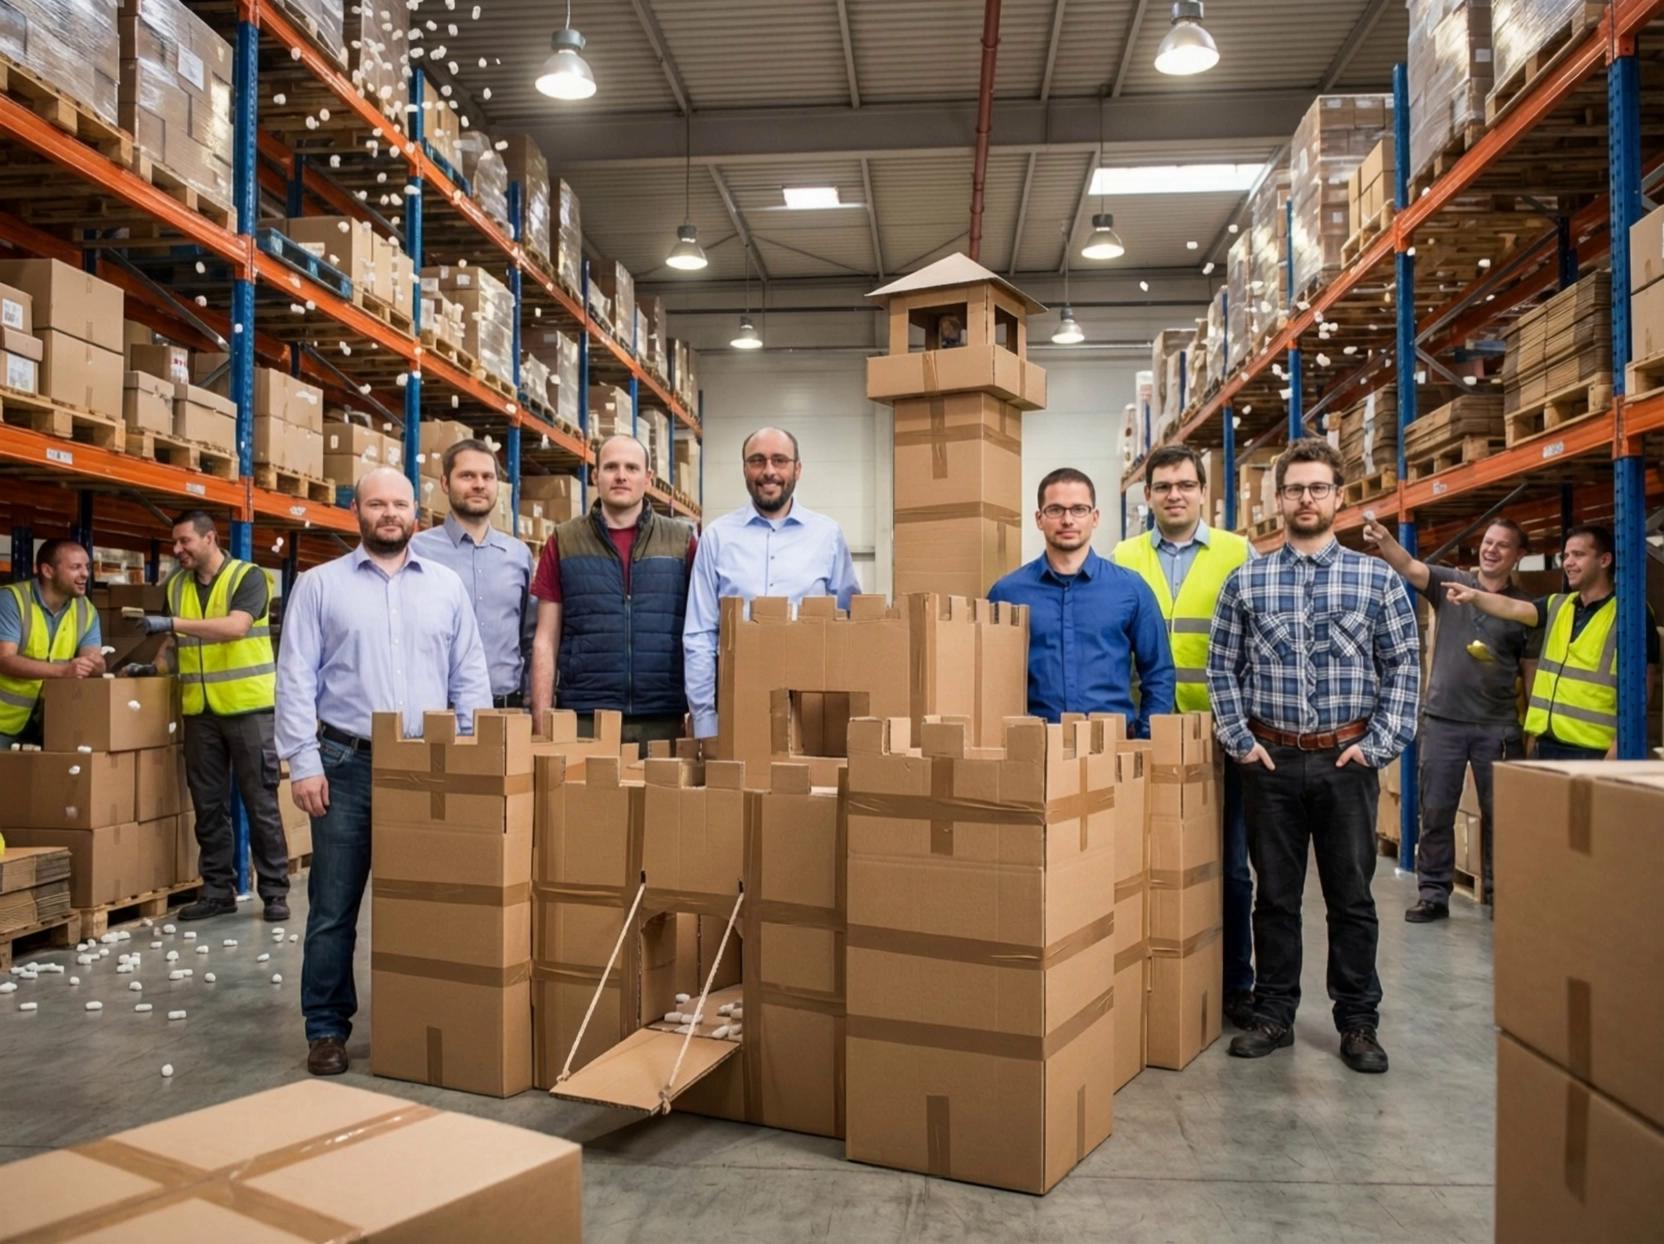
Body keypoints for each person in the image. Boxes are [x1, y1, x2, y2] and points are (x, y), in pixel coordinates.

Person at [1207, 438, 1420, 1074]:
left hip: (1346, 760)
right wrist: (1240, 741)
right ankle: (1274, 1012)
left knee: (1351, 898)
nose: (1306, 498)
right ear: (1278, 500)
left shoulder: (1377, 577)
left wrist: (1378, 745)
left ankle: (1357, 1023)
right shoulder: (1246, 579)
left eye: (1318, 488)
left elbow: (1404, 664)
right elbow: (1222, 667)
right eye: (1295, 488)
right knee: (1274, 897)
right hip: (1269, 761)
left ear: (1339, 497)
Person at [275, 467, 491, 1077]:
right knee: (334, 905)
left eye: (399, 504)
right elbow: (295, 677)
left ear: (416, 514)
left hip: (427, 765)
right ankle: (325, 1028)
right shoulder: (319, 587)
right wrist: (303, 761)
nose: (389, 513)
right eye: (376, 503)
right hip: (344, 763)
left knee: (432, 901)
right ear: (356, 512)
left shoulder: (445, 586)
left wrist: (470, 755)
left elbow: (468, 675)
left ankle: (422, 1014)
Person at [1112, 445, 1255, 1027]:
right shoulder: (1123, 554)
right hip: (1147, 731)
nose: (1175, 494)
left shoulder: (1237, 551)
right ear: (1147, 496)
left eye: (1185, 484)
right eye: (1163, 486)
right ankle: (1150, 973)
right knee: (1146, 859)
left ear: (1203, 493)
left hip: (1222, 730)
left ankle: (1234, 986)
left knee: (1231, 865)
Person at [1363, 515, 1534, 921]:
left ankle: (1498, 893)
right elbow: (1409, 566)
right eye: (1488, 542)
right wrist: (1386, 539)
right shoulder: (1451, 583)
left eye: (1502, 545)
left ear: (1519, 555)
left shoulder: (1521, 609)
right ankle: (1433, 893)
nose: (1491, 549)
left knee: (1501, 815)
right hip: (1444, 721)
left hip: (1498, 725)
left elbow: (1529, 671)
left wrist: (1527, 727)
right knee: (1436, 809)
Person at [124, 512, 290, 923]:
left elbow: (235, 628)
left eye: (184, 542)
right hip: (199, 711)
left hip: (248, 708)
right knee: (209, 806)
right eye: (174, 543)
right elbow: (172, 644)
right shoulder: (177, 586)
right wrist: (153, 669)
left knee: (260, 802)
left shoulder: (247, 578)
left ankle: (274, 893)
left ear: (210, 538)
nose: (177, 549)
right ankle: (218, 890)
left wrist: (173, 622)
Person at [684, 427, 859, 740]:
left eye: (779, 461)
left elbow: (850, 626)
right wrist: (705, 719)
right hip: (738, 704)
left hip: (812, 709)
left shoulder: (827, 536)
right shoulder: (717, 537)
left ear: (797, 469)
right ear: (744, 469)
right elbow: (699, 634)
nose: (769, 471)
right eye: (757, 461)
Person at [530, 435, 698, 745]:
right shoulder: (565, 540)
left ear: (648, 478)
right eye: (611, 467)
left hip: (662, 718)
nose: (621, 476)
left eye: (632, 468)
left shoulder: (681, 540)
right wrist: (541, 723)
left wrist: (701, 714)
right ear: (595, 476)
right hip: (583, 717)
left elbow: (701, 632)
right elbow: (545, 639)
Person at [1445, 524, 1659, 761]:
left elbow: (1643, 683)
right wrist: (1475, 596)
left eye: (1578, 555)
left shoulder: (1630, 611)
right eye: (1565, 556)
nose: (1568, 563)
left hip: (1592, 750)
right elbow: (1512, 607)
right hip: (1546, 744)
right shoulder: (1557, 605)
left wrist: (1620, 745)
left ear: (1605, 560)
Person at [988, 467, 1175, 737]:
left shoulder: (1131, 590)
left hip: (1113, 749)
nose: (1067, 520)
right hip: (1035, 749)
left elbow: (1159, 672)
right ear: (1039, 519)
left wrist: (1144, 738)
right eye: (1055, 510)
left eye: (1078, 509)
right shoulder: (1007, 593)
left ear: (1094, 517)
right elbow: (990, 679)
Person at [409, 438, 534, 709]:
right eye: (467, 476)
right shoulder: (417, 551)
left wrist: (530, 696)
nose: (479, 484)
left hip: (506, 711)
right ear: (445, 483)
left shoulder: (518, 555)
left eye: (487, 477)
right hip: (437, 713)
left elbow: (530, 638)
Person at [0, 539, 104, 748]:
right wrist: (64, 670)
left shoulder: (86, 611)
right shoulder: (11, 600)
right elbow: (4, 659)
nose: (85, 574)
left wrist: (96, 665)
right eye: (76, 567)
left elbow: (93, 660)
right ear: (47, 571)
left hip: (49, 723)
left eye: (87, 567)